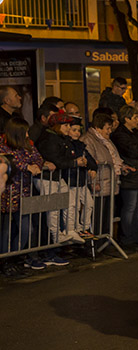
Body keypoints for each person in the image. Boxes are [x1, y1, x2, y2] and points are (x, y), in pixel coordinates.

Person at [0, 117, 49, 271]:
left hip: (24, 194)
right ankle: (5, 262)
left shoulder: (26, 145)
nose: (28, 135)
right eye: (25, 132)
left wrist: (36, 165)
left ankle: (14, 257)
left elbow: (38, 157)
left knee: (26, 229)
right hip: (7, 194)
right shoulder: (3, 146)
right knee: (6, 231)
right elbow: (8, 161)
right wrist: (27, 167)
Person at [35, 111, 86, 245]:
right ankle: (56, 234)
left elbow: (64, 157)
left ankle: (69, 230)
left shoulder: (60, 139)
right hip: (47, 178)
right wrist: (75, 162)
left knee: (68, 200)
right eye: (66, 126)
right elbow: (57, 160)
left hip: (56, 177)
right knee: (53, 207)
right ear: (57, 126)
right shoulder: (49, 139)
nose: (69, 129)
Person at [111, 105, 138, 250]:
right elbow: (132, 150)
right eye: (135, 117)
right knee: (130, 207)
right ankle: (126, 238)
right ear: (127, 118)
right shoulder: (120, 134)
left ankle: (136, 237)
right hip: (130, 176)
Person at [82, 111, 124, 239]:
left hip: (108, 184)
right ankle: (95, 242)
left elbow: (112, 159)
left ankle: (104, 240)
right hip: (98, 184)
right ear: (98, 128)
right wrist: (93, 182)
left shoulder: (106, 141)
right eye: (107, 128)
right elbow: (90, 163)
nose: (110, 131)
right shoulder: (89, 140)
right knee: (97, 218)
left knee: (106, 217)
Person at [64, 121, 98, 237]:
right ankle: (74, 228)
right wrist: (77, 162)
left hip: (81, 180)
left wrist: (92, 168)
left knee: (89, 203)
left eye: (79, 130)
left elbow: (90, 159)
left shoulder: (80, 145)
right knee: (73, 206)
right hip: (70, 180)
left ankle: (85, 227)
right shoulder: (65, 144)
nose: (77, 133)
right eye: (74, 130)